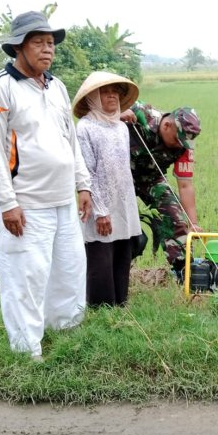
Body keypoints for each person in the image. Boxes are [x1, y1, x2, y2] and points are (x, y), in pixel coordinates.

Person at [0, 11, 92, 361]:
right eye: (39, 42)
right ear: (18, 47)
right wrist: (7, 204)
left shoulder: (56, 86)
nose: (48, 49)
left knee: (69, 271)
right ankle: (28, 352)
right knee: (26, 278)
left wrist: (82, 184)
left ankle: (67, 332)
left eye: (51, 43)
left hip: (63, 202)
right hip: (27, 205)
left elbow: (70, 139)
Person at [72, 71, 142, 307]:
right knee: (101, 257)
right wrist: (100, 211)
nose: (112, 96)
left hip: (123, 202)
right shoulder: (85, 128)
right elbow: (87, 172)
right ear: (93, 97)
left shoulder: (121, 127)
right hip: (99, 204)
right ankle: (101, 308)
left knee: (122, 254)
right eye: (105, 92)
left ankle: (120, 304)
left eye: (116, 92)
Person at [120, 102, 201, 276]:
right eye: (176, 140)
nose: (179, 145)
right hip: (120, 178)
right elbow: (97, 116)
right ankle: (118, 271)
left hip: (152, 179)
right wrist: (116, 115)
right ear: (166, 125)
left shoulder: (184, 147)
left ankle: (184, 274)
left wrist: (193, 223)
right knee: (126, 230)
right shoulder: (141, 114)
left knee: (176, 219)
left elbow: (185, 185)